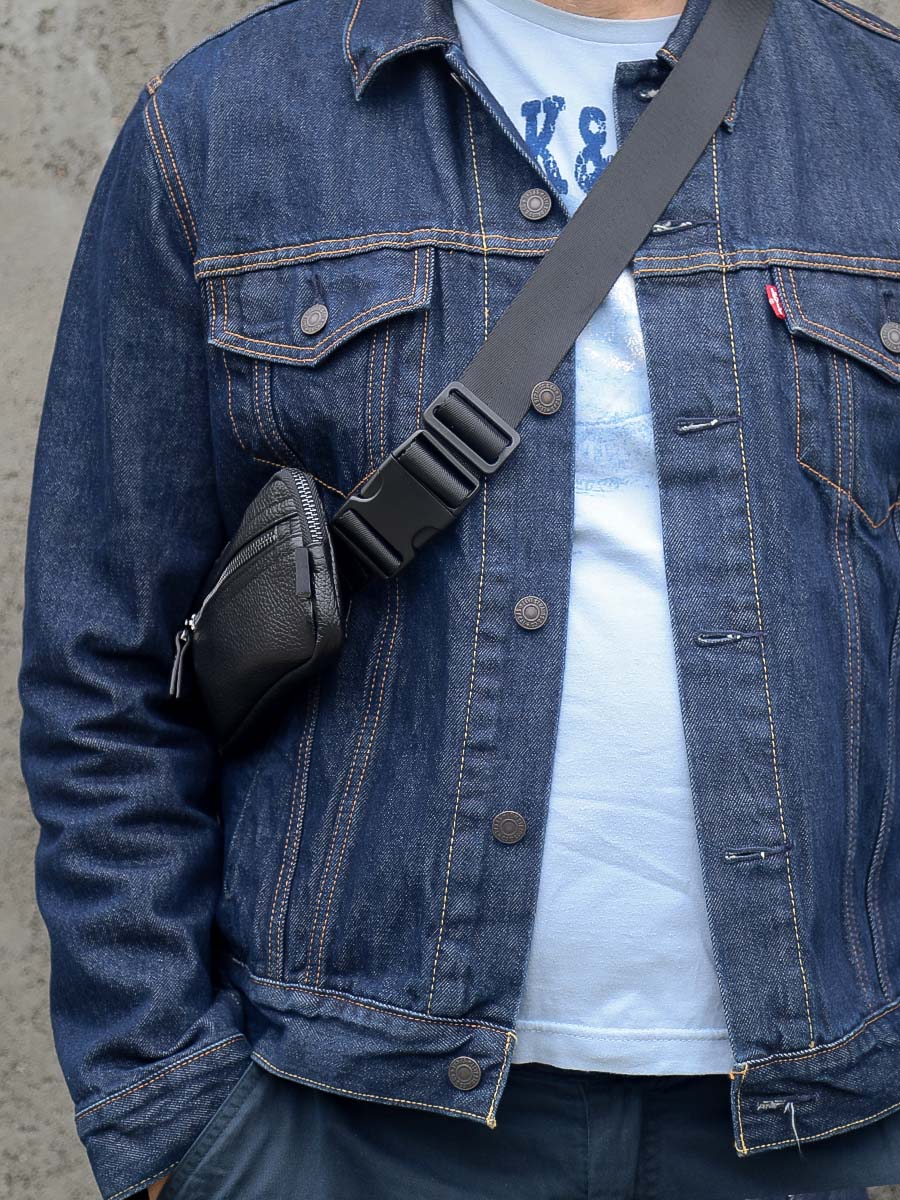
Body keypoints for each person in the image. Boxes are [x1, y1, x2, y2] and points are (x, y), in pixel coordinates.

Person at [18, 0, 900, 1195]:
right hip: (346, 1117)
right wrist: (177, 1115)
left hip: (812, 1121)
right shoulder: (227, 122)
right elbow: (103, 664)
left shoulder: (875, 112)